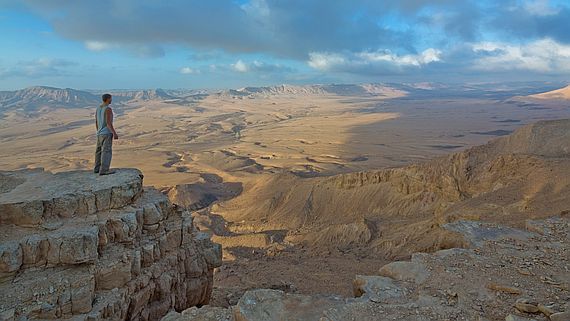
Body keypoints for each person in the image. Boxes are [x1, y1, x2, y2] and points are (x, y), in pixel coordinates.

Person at [94, 93, 118, 175]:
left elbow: (96, 122)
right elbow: (108, 123)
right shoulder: (108, 109)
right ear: (108, 99)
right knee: (106, 151)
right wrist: (114, 133)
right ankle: (104, 170)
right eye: (111, 98)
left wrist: (98, 131)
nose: (111, 100)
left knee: (98, 151)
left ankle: (96, 169)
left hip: (99, 133)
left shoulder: (98, 108)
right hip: (107, 133)